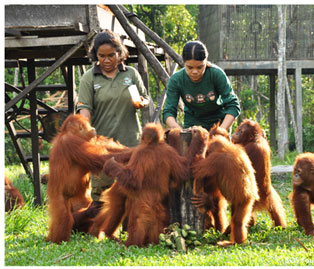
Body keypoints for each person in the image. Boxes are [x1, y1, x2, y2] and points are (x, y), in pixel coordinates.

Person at [77, 29, 149, 203]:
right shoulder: (89, 78)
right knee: (102, 189)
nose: (106, 60)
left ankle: (129, 227)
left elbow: (145, 98)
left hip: (130, 141)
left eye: (111, 55)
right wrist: (86, 129)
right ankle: (99, 226)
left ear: (120, 53)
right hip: (102, 142)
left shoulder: (130, 74)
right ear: (96, 55)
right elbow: (85, 108)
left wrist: (141, 102)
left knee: (132, 186)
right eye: (101, 56)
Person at [163, 40, 240, 131]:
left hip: (218, 124)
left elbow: (233, 105)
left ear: (206, 61)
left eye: (200, 67)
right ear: (184, 62)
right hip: (192, 126)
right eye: (190, 67)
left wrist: (221, 131)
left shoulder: (216, 74)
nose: (195, 72)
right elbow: (168, 112)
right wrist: (180, 132)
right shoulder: (176, 80)